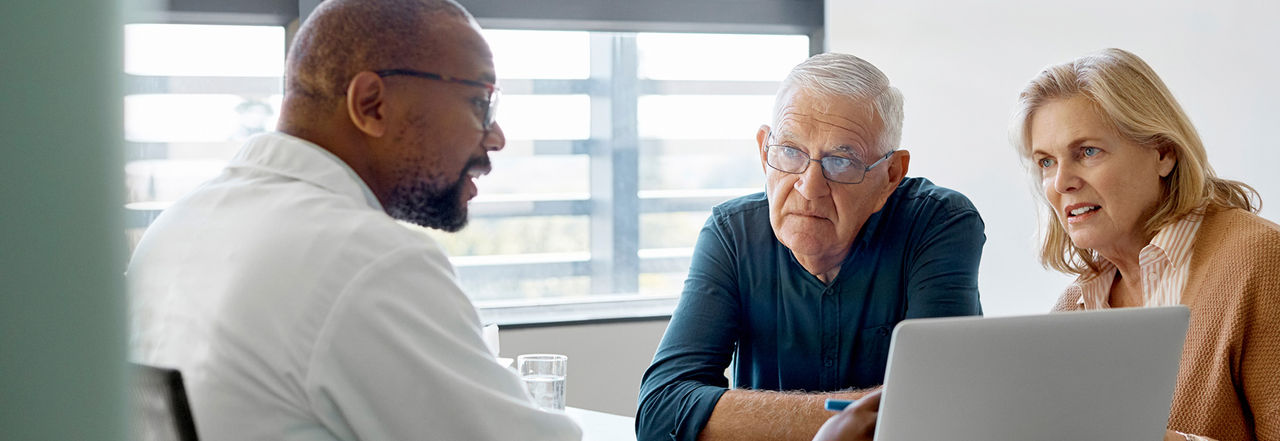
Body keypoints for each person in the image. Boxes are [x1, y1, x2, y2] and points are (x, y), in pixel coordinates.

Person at [126, 1, 583, 439]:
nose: (496, 137)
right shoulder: (365, 260)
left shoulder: (176, 229)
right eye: (478, 103)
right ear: (371, 105)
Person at [636, 53, 986, 441]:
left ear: (890, 176)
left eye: (841, 161)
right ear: (763, 151)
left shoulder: (937, 222)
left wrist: (738, 416)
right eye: (789, 151)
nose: (809, 186)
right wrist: (852, 417)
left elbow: (937, 410)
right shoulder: (733, 234)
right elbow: (661, 411)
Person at [1010, 48, 1280, 441]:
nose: (1061, 182)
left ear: (1163, 153)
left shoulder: (1259, 261)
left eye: (1087, 152)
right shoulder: (1074, 307)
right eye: (1046, 162)